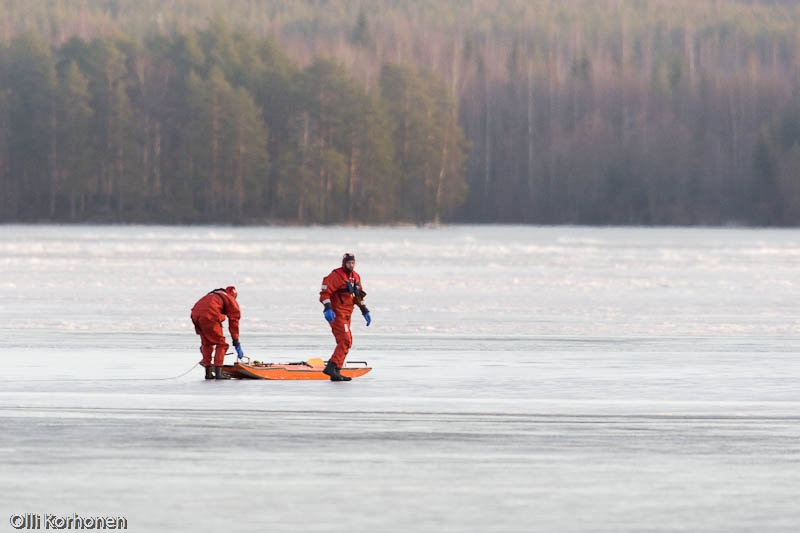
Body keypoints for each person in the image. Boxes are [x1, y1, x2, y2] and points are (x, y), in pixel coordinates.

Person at [319, 253, 371, 381]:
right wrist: (328, 308)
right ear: (344, 263)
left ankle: (336, 370)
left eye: (353, 263)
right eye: (349, 263)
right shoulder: (336, 276)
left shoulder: (356, 277)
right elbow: (325, 293)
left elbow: (359, 296)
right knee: (345, 340)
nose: (351, 265)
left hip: (348, 313)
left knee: (347, 342)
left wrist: (364, 310)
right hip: (337, 314)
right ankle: (331, 366)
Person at [190, 286, 244, 380]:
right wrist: (236, 341)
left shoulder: (214, 294)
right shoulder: (230, 299)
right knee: (221, 344)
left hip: (195, 315)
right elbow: (234, 321)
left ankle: (208, 373)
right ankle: (219, 373)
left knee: (207, 343)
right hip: (209, 315)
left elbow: (218, 313)